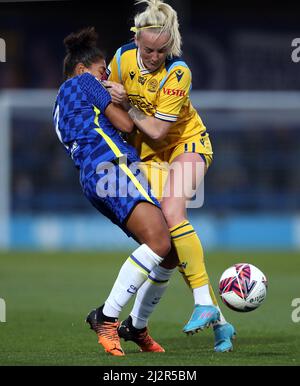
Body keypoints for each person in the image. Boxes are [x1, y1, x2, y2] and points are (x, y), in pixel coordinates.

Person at [105, 0, 236, 352]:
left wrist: (125, 104)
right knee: (169, 245)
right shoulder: (121, 59)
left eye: (162, 50)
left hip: (187, 143)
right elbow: (110, 109)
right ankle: (221, 323)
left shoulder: (179, 73)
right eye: (147, 49)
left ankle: (204, 304)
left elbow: (158, 131)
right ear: (136, 40)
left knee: (174, 211)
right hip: (148, 156)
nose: (154, 56)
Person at [53, 27, 176, 357]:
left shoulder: (62, 101)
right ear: (82, 70)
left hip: (95, 177)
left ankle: (136, 326)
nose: (106, 76)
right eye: (102, 71)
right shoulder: (84, 83)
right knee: (161, 243)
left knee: (170, 251)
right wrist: (124, 99)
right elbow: (125, 125)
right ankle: (106, 318)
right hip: (112, 165)